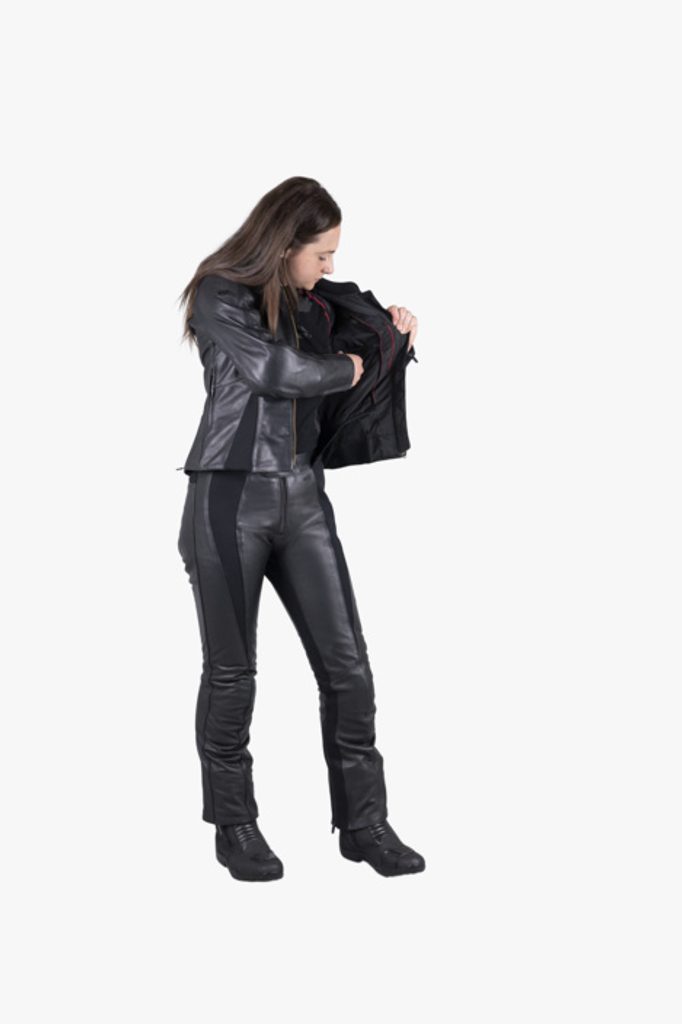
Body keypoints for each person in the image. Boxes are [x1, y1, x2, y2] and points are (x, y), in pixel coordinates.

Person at [176, 176, 425, 881]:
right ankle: (235, 826)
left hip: (304, 497)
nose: (331, 266)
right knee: (232, 674)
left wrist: (392, 333)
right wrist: (347, 363)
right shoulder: (218, 293)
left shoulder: (316, 306)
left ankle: (365, 825)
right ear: (284, 244)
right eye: (321, 254)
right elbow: (274, 368)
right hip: (228, 497)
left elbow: (359, 364)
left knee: (348, 669)